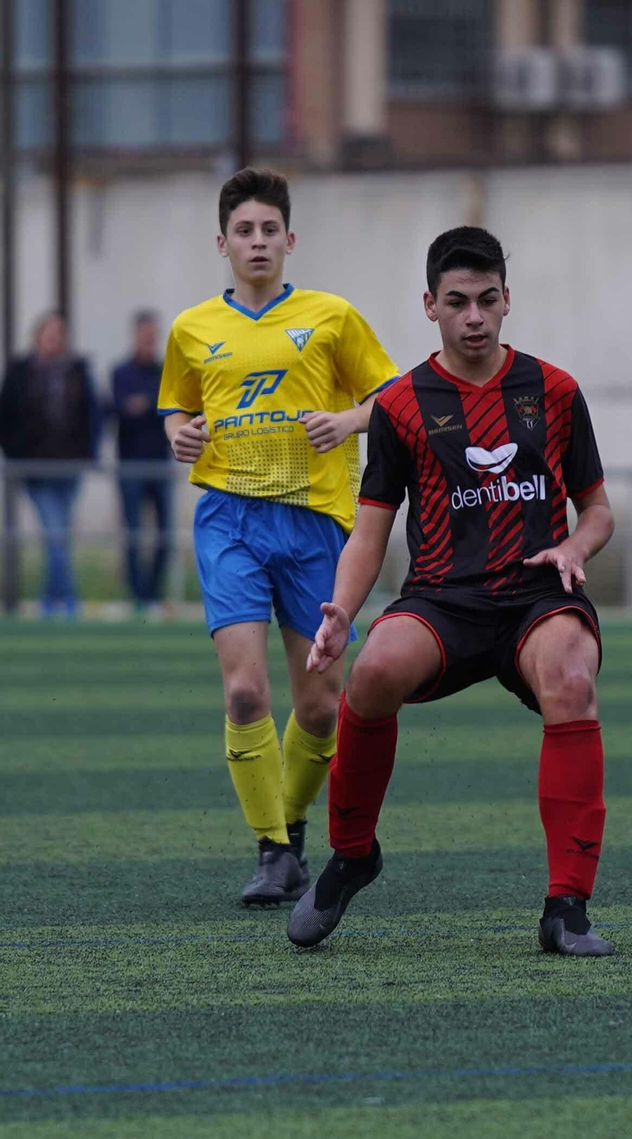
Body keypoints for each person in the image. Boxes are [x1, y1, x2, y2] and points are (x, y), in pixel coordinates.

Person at [288, 226, 615, 957]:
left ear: (507, 301)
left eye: (488, 300)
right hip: (442, 599)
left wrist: (573, 544)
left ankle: (567, 908)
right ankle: (351, 856)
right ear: (430, 305)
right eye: (458, 302)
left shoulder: (555, 391)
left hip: (537, 595)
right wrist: (342, 609)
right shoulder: (401, 404)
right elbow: (371, 530)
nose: (475, 316)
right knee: (370, 674)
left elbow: (598, 510)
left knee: (571, 678)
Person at [158, 167, 400, 904]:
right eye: (244, 231)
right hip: (228, 518)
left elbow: (389, 394)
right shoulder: (192, 328)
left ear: (289, 240)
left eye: (269, 230)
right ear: (222, 243)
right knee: (242, 692)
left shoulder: (331, 316)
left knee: (323, 703)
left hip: (317, 521)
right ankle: (270, 852)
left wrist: (349, 420)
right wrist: (179, 433)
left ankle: (291, 830)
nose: (257, 241)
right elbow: (176, 408)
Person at [0, 311, 100, 618]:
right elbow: (6, 415)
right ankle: (67, 600)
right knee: (56, 533)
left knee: (59, 535)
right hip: (36, 468)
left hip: (69, 467)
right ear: (38, 336)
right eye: (50, 333)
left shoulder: (77, 370)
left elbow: (93, 414)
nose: (55, 339)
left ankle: (50, 599)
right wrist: (16, 454)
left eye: (60, 333)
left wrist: (89, 453)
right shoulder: (20, 371)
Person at [110, 309, 174, 613]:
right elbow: (121, 410)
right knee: (134, 534)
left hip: (160, 464)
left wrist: (145, 404)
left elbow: (169, 407)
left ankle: (151, 593)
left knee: (165, 535)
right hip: (130, 465)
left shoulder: (165, 371)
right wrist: (151, 405)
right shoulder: (120, 372)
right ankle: (138, 597)